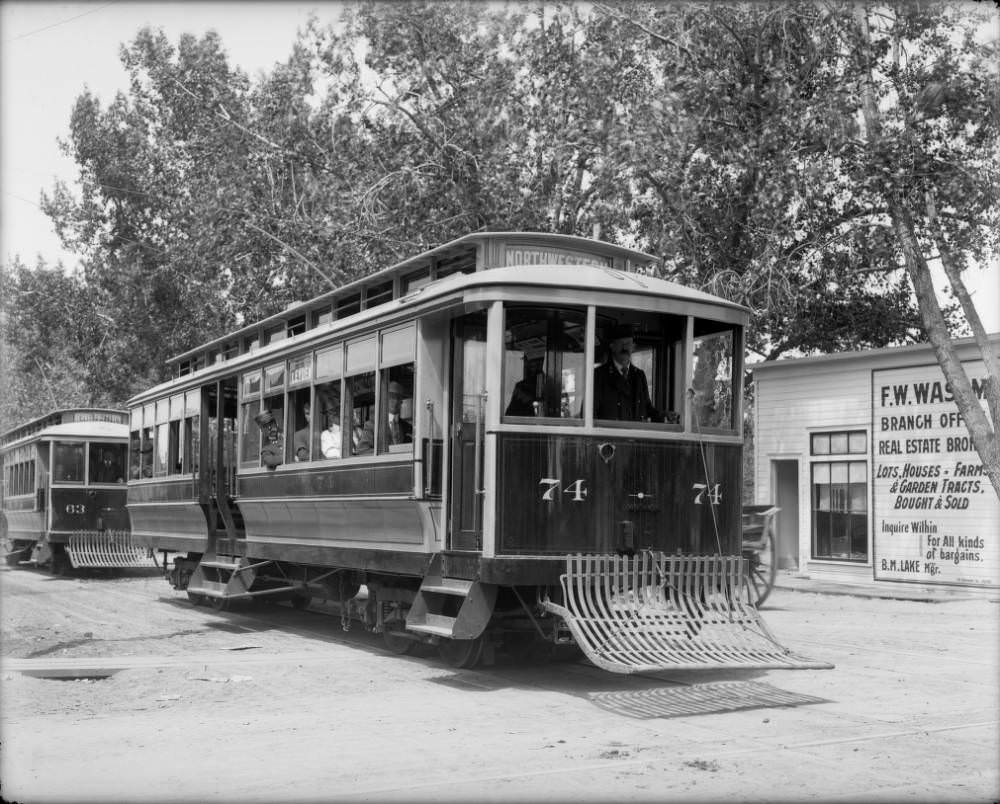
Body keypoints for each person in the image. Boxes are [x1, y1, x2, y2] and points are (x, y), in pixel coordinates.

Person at [593, 324, 663, 422]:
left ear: (633, 347)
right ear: (612, 346)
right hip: (609, 436)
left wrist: (664, 417)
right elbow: (590, 413)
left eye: (628, 343)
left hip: (635, 435)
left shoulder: (639, 375)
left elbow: (647, 407)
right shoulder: (599, 375)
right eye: (621, 343)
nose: (625, 348)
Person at [385, 381, 413, 446]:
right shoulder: (373, 425)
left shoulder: (408, 427)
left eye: (399, 397)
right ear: (385, 399)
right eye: (392, 397)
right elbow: (362, 450)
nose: (395, 401)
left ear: (401, 402)